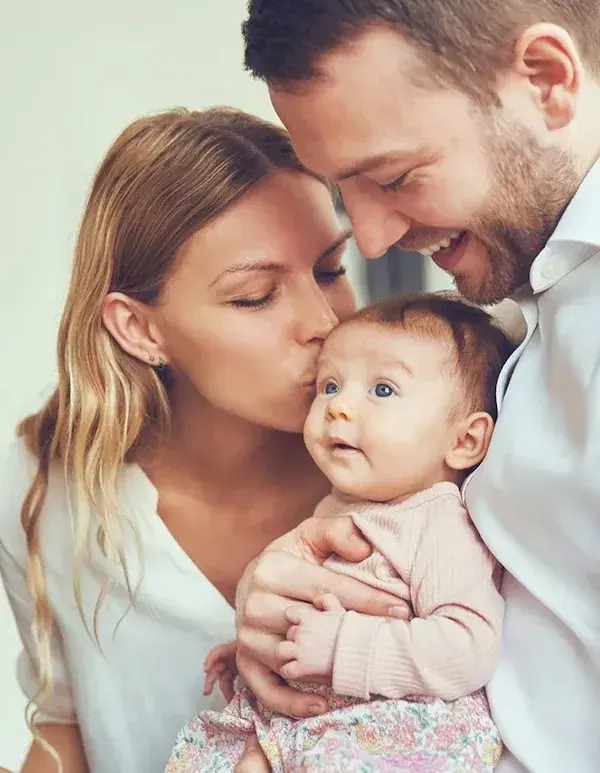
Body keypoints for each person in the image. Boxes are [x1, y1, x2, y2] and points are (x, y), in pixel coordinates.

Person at [238, 3, 600, 772]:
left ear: (546, 81)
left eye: (394, 177)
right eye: (346, 193)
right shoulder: (535, 296)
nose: (372, 238)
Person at [0, 106, 403, 773]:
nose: (325, 320)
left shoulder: (416, 461)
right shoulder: (39, 487)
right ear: (139, 329)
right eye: (255, 296)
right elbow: (67, 724)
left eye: (331, 268)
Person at [167, 293, 514, 773]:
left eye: (383, 390)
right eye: (330, 386)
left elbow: (469, 647)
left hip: (393, 732)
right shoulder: (338, 510)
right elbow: (309, 611)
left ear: (464, 440)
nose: (340, 407)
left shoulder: (438, 524)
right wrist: (266, 647)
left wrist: (343, 647)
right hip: (318, 720)